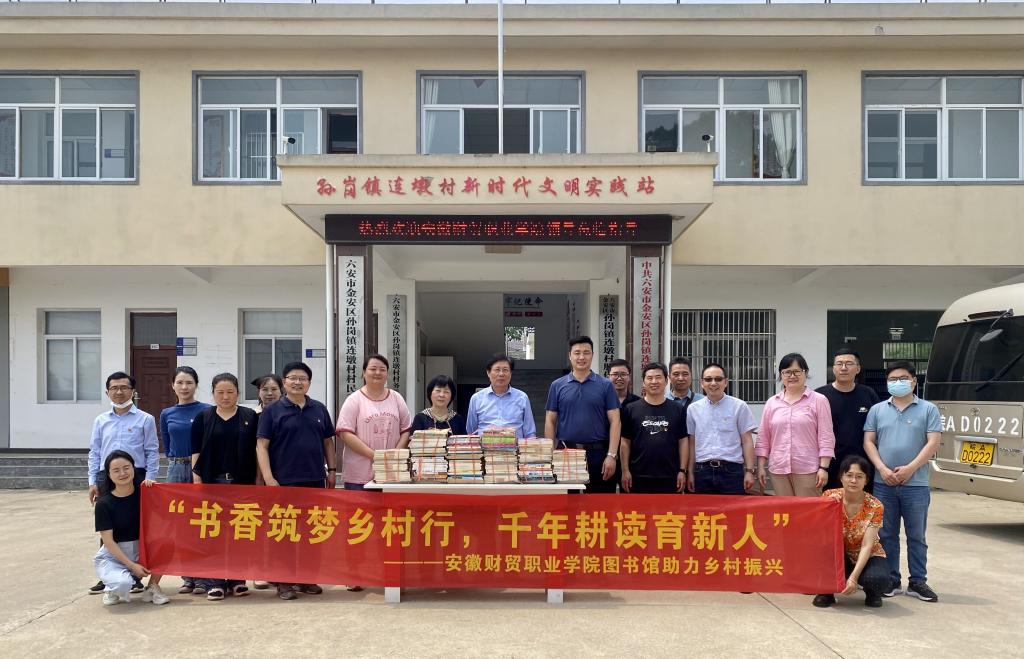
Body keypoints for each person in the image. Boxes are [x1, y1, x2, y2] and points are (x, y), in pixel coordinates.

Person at [256, 361, 336, 601]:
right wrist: (269, 478)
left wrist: (332, 470)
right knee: (284, 534)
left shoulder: (319, 409)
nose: (298, 382)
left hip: (314, 481)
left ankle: (306, 578)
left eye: (303, 378)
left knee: (312, 533)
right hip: (283, 483)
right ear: (284, 382)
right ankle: (284, 582)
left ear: (309, 383)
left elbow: (328, 442)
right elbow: (261, 446)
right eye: (293, 378)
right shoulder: (272, 411)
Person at [863, 361, 941, 603]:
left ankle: (918, 581)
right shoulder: (877, 410)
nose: (898, 383)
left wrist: (910, 468)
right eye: (893, 379)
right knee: (886, 535)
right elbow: (868, 441)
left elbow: (933, 442)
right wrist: (882, 468)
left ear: (914, 381)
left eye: (903, 378)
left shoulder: (928, 409)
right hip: (883, 483)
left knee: (916, 536)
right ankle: (891, 579)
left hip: (916, 485)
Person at [87, 371, 159, 595]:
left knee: (136, 523)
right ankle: (107, 576)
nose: (119, 392)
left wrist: (150, 478)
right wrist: (92, 481)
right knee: (108, 523)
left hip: (136, 476)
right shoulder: (101, 420)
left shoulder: (145, 419)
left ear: (133, 391)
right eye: (114, 388)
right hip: (106, 476)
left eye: (124, 387)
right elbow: (95, 452)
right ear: (107, 392)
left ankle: (136, 574)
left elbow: (152, 451)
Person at [190, 373, 259, 601]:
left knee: (241, 532)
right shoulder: (203, 417)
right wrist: (197, 481)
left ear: (238, 393)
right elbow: (196, 452)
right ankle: (216, 582)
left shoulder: (249, 416)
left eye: (230, 392)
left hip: (242, 483)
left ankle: (238, 580)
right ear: (212, 394)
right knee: (215, 534)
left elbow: (258, 451)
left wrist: (258, 481)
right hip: (213, 482)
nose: (225, 396)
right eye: (220, 392)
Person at [545, 336, 622, 494]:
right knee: (567, 502)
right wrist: (550, 454)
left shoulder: (605, 385)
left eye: (586, 352)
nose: (581, 357)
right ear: (570, 355)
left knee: (599, 504)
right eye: (577, 353)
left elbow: (615, 421)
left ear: (592, 355)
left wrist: (611, 455)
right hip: (566, 452)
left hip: (598, 454)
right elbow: (550, 420)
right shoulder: (557, 385)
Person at [812, 455, 890, 609]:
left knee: (877, 579)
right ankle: (826, 592)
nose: (854, 480)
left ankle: (872, 593)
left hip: (867, 554)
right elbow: (819, 533)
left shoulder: (875, 505)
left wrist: (853, 578)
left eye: (859, 476)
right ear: (841, 477)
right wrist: (828, 508)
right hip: (839, 552)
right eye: (849, 475)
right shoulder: (829, 497)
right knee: (821, 553)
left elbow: (867, 545)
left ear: (866, 480)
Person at [93, 450, 168, 607]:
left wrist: (154, 489)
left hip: (141, 550)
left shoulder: (145, 494)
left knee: (168, 542)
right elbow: (108, 541)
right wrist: (132, 566)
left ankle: (152, 587)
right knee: (123, 584)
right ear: (109, 475)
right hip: (114, 555)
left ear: (134, 468)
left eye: (126, 468)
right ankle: (111, 588)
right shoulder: (103, 504)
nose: (122, 473)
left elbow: (164, 518)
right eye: (116, 470)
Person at [159, 366, 210, 595]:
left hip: (201, 469)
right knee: (180, 525)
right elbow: (167, 444)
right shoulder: (166, 413)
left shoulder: (206, 410)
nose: (184, 387)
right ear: (172, 385)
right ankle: (188, 577)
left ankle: (204, 577)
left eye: (189, 382)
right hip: (177, 469)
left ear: (196, 385)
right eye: (179, 382)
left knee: (203, 522)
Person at [756, 353, 835, 497]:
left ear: (806, 373)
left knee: (808, 510)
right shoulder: (772, 403)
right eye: (787, 372)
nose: (792, 376)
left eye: (797, 371)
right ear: (781, 375)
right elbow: (763, 437)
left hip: (808, 468)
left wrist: (824, 467)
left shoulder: (819, 400)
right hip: (778, 468)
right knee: (784, 509)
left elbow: (826, 436)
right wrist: (761, 466)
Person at [337, 354, 413, 491]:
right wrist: (376, 456)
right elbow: (345, 434)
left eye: (382, 369)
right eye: (373, 369)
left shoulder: (397, 398)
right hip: (359, 474)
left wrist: (393, 456)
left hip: (392, 471)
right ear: (364, 373)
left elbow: (406, 430)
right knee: (359, 506)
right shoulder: (354, 400)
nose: (378, 372)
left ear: (387, 374)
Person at [686, 363, 758, 495]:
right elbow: (692, 443)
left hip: (732, 471)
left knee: (734, 508)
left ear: (725, 382)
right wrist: (690, 472)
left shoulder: (739, 406)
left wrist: (749, 471)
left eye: (718, 379)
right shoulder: (693, 409)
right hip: (702, 471)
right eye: (708, 379)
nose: (713, 383)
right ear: (702, 383)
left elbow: (747, 440)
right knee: (703, 508)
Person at [816, 348, 880, 492]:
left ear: (858, 369)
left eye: (849, 363)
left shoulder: (868, 394)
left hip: (862, 464)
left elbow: (878, 428)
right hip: (830, 464)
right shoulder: (820, 396)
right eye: (839, 364)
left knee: (860, 503)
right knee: (831, 502)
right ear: (833, 368)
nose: (843, 368)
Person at [619, 362, 687, 494]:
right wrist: (625, 470)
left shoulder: (678, 409)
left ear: (666, 381)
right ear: (644, 382)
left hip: (670, 476)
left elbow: (683, 441)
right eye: (649, 378)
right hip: (637, 476)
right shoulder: (631, 409)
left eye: (658, 377)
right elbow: (625, 442)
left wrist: (682, 470)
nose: (654, 381)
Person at [250, 373, 283, 591]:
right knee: (258, 526)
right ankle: (259, 571)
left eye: (274, 389)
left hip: (281, 476)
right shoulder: (252, 416)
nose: (269, 393)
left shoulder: (286, 412)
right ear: (258, 392)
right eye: (265, 389)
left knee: (279, 526)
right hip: (257, 476)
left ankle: (279, 571)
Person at [466, 355, 537, 439]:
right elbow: (471, 432)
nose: (501, 374)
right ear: (488, 373)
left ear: (510, 374)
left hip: (515, 447)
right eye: (497, 370)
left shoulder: (522, 398)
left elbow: (530, 433)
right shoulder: (476, 398)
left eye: (505, 370)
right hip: (486, 447)